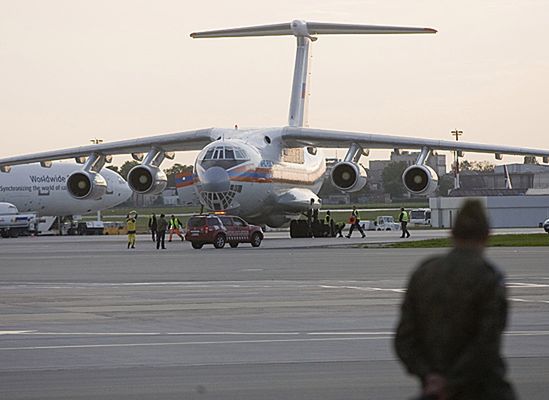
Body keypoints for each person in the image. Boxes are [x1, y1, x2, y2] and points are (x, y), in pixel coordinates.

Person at [394, 199, 516, 400]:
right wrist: (452, 382)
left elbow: (404, 339)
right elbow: (486, 343)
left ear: (452, 233)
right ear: (486, 236)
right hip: (481, 388)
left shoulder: (424, 273)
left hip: (433, 386)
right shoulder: (487, 277)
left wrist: (430, 376)